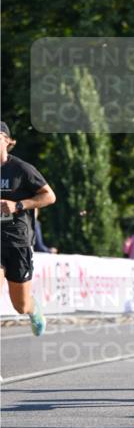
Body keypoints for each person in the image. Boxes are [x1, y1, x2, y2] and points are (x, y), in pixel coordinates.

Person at [0, 121, 56, 335]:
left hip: (18, 241)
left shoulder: (21, 169)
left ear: (7, 141)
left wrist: (18, 205)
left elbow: (49, 196)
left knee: (20, 305)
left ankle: (33, 308)